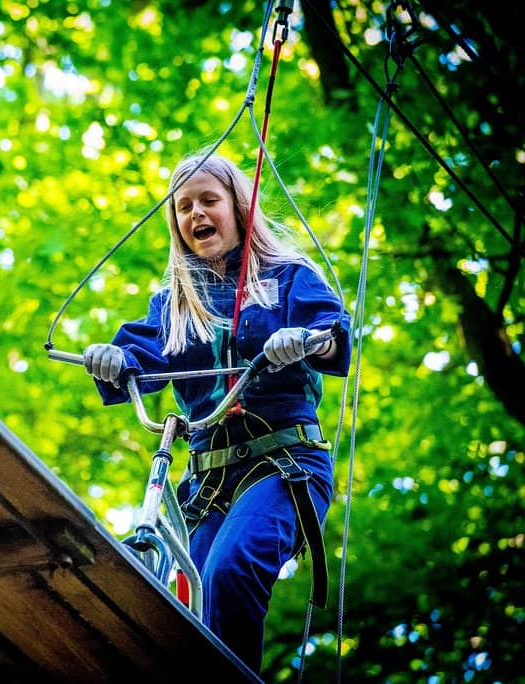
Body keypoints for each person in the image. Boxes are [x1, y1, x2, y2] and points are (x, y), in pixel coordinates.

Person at [83, 150, 352, 674]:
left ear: (238, 205)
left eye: (209, 200)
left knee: (231, 569)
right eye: (184, 207)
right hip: (208, 484)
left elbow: (332, 333)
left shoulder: (288, 278)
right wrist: (111, 360)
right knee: (188, 600)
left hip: (284, 464)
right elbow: (141, 360)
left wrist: (303, 341)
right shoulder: (173, 304)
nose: (196, 215)